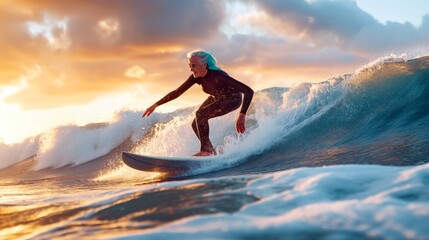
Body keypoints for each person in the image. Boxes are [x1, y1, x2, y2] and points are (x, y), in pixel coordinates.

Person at [142, 50, 254, 157]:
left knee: (200, 114)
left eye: (193, 65)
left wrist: (242, 114)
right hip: (217, 97)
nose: (191, 69)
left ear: (204, 65)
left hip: (232, 99)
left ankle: (206, 151)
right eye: (189, 65)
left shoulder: (218, 76)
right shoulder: (196, 77)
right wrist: (156, 105)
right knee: (195, 123)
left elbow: (248, 91)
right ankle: (210, 150)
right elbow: (177, 92)